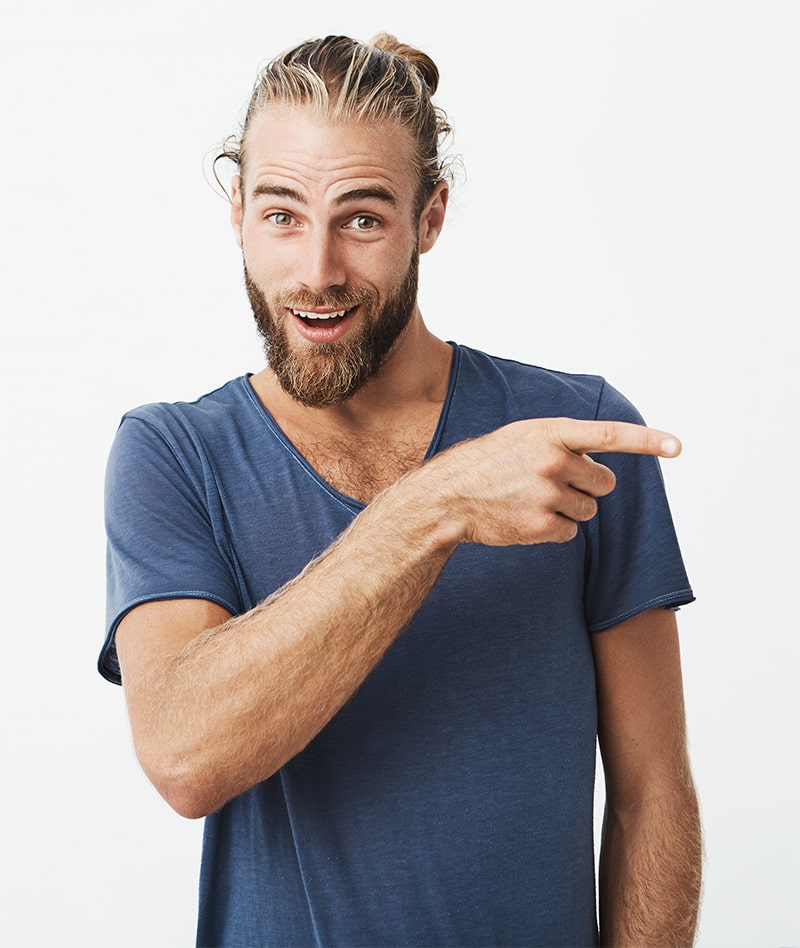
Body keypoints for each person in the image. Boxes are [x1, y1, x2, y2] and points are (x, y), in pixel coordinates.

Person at [99, 33, 702, 947]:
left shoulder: (573, 434)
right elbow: (186, 757)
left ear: (431, 217)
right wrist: (435, 505)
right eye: (281, 214)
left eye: (363, 219)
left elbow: (653, 793)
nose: (317, 271)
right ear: (238, 214)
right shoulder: (174, 454)